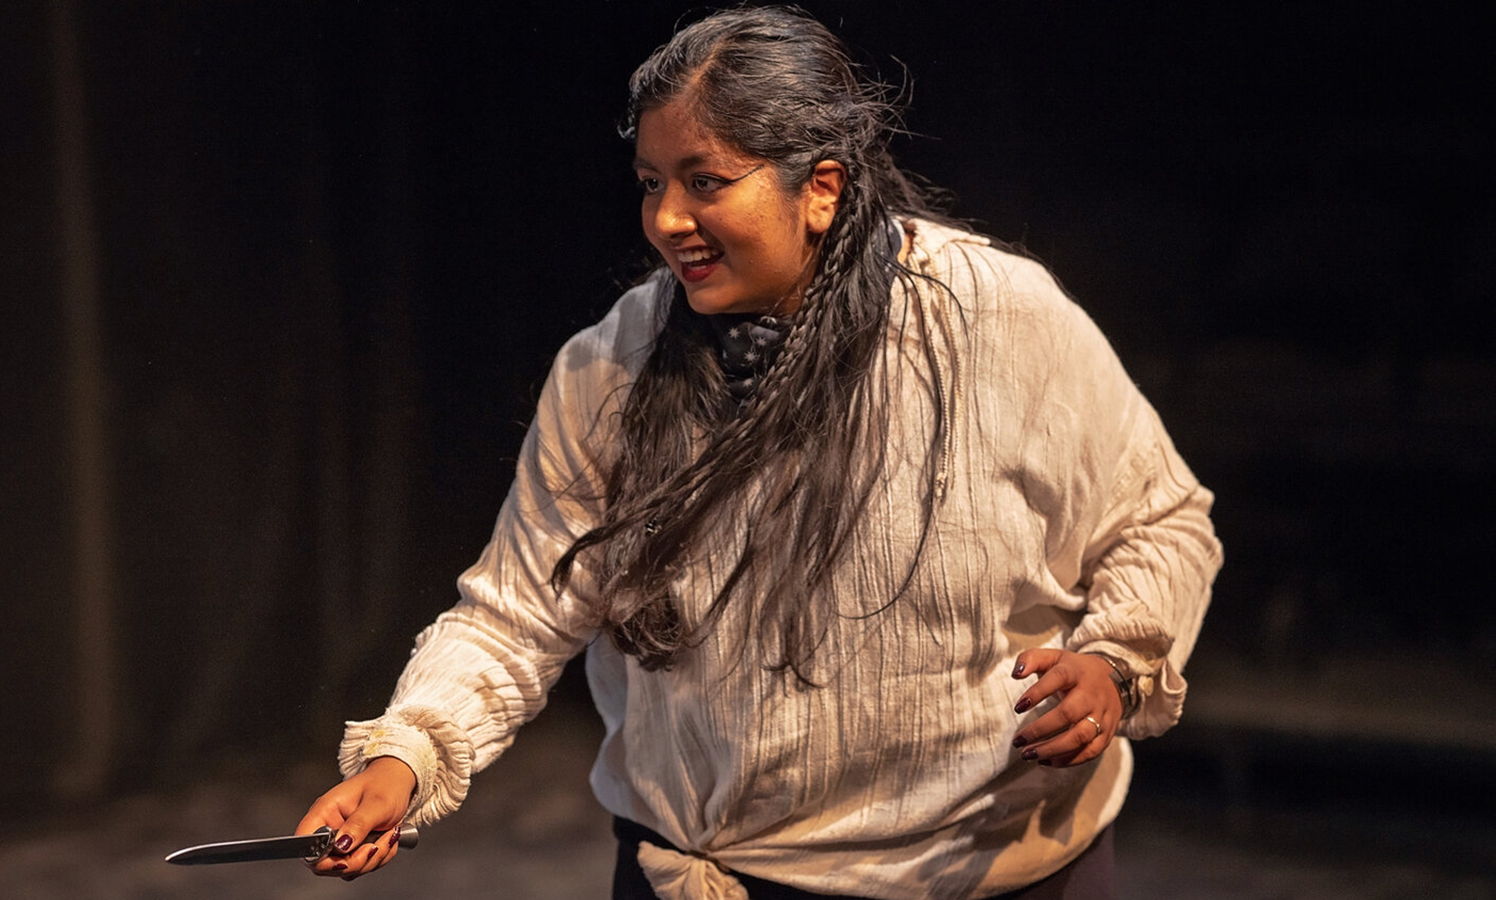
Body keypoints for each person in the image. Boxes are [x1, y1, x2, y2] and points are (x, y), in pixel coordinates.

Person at [296, 7, 1221, 898]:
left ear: (820, 187)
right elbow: (519, 609)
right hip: (715, 878)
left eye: (705, 181)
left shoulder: (995, 321)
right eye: (651, 182)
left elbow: (1160, 519)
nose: (665, 220)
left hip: (983, 872)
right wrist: (403, 757)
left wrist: (1116, 663)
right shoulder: (610, 367)